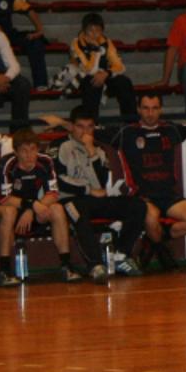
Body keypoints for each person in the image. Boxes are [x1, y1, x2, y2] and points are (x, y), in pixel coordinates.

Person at [114, 94, 186, 270]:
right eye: (146, 108)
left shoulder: (170, 130)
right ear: (139, 110)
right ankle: (161, 250)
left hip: (169, 195)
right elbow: (88, 131)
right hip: (142, 197)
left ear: (160, 110)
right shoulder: (126, 133)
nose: (150, 113)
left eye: (154, 108)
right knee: (151, 218)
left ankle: (155, 242)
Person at [42, 105, 146, 276]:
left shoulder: (99, 149)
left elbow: (101, 183)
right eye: (80, 126)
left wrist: (92, 155)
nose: (85, 131)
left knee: (138, 205)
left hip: (95, 199)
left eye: (89, 126)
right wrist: (87, 189)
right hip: (69, 199)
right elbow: (58, 181)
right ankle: (95, 265)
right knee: (80, 214)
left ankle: (121, 255)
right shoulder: (59, 145)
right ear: (72, 126)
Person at [0, 127, 80, 286]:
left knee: (57, 208)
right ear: (16, 152)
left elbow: (53, 193)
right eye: (24, 151)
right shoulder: (7, 164)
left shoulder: (45, 161)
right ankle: (4, 271)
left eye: (32, 150)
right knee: (9, 212)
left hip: (33, 210)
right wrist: (31, 205)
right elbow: (4, 198)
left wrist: (32, 209)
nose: (29, 155)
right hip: (5, 209)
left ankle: (66, 266)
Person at [68, 13, 137, 122]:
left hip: (103, 75)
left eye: (98, 30)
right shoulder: (76, 43)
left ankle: (131, 123)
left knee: (124, 82)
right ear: (84, 30)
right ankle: (92, 124)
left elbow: (120, 66)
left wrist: (106, 73)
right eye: (91, 30)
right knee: (93, 83)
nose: (94, 34)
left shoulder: (106, 42)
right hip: (83, 76)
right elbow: (88, 68)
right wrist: (95, 49)